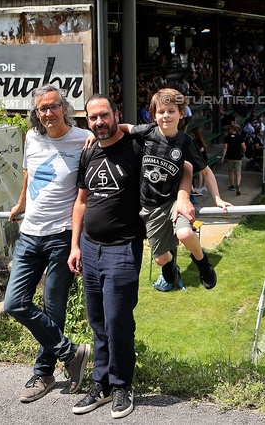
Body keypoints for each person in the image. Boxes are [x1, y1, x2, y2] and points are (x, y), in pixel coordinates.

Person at [68, 95, 193, 418]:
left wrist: (181, 197)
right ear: (87, 121)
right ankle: (102, 384)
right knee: (97, 321)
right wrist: (75, 245)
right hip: (90, 247)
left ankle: (122, 385)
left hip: (123, 247)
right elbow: (81, 202)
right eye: (92, 118)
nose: (99, 122)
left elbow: (184, 166)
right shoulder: (90, 152)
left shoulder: (139, 145)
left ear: (115, 115)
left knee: (117, 319)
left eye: (104, 115)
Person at [87, 88, 230, 290]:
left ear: (181, 114)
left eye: (171, 111)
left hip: (172, 202)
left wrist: (218, 199)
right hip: (149, 208)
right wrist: (97, 136)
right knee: (160, 259)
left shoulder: (186, 142)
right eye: (161, 112)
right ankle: (171, 265)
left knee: (185, 234)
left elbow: (206, 172)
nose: (166, 116)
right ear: (153, 115)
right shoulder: (147, 133)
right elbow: (125, 127)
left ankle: (203, 264)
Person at [4, 85, 91, 404]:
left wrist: (76, 243)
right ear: (36, 113)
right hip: (29, 233)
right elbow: (29, 173)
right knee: (14, 303)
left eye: (54, 107)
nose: (49, 113)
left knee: (54, 310)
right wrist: (21, 201)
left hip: (61, 237)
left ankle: (44, 373)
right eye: (43, 109)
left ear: (64, 109)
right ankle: (71, 353)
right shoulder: (32, 137)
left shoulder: (83, 139)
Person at [221, 123, 246, 196]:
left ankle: (232, 185)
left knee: (231, 171)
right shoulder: (240, 137)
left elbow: (225, 147)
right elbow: (244, 147)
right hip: (238, 156)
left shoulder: (227, 137)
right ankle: (237, 184)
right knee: (238, 173)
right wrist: (243, 153)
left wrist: (223, 157)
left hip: (230, 156)